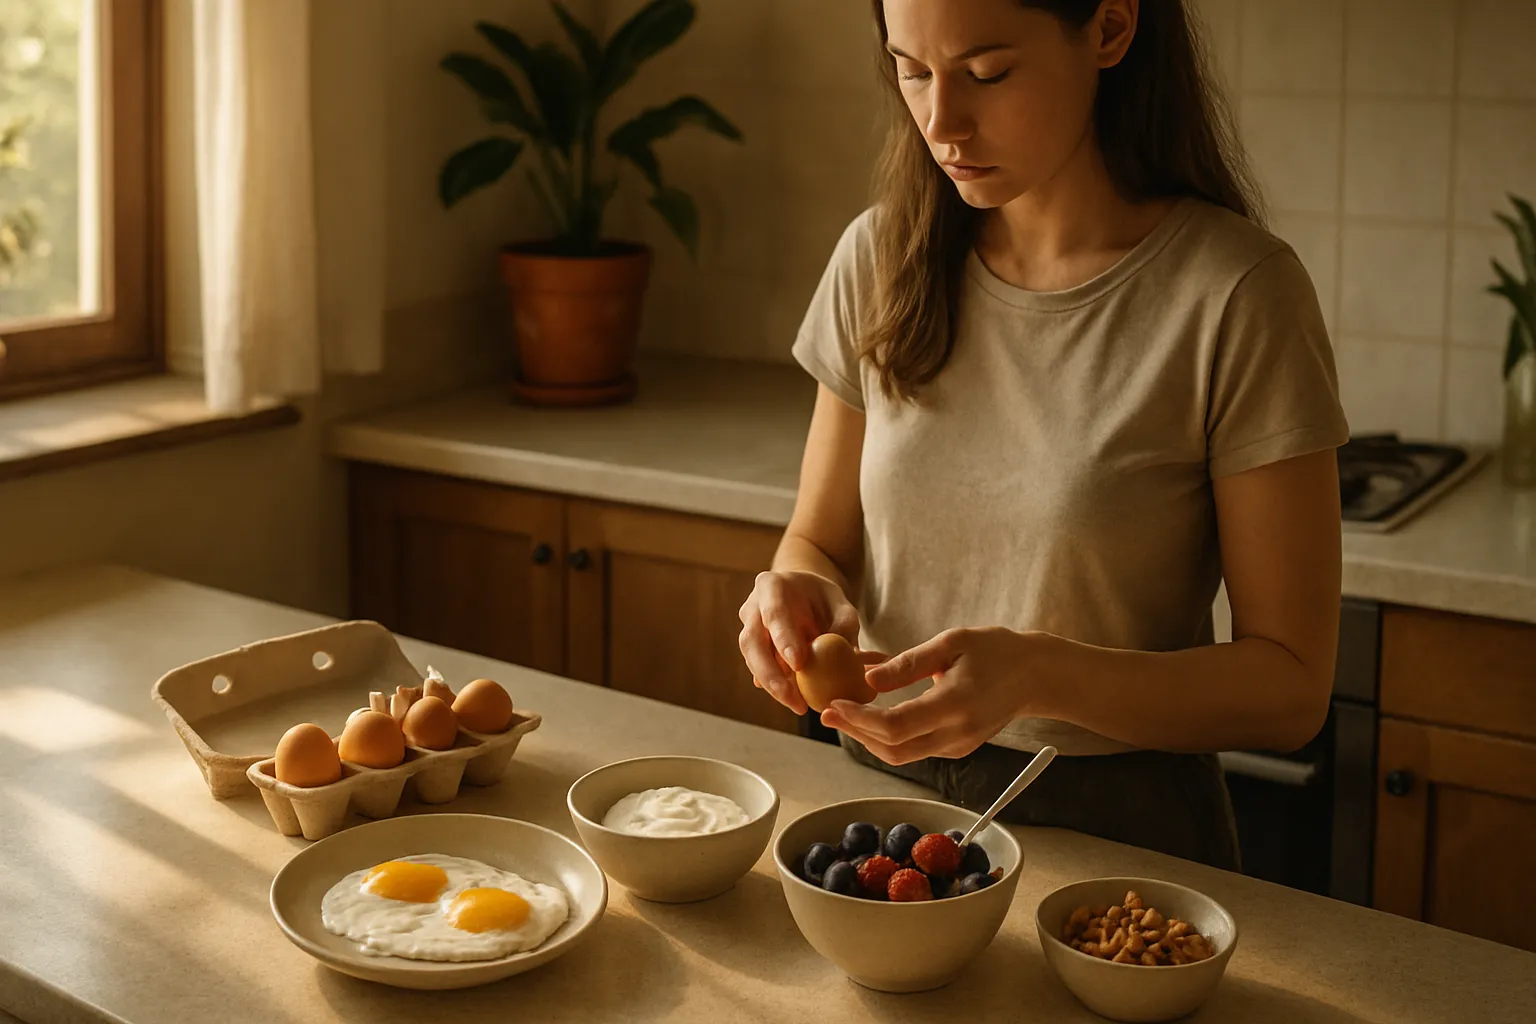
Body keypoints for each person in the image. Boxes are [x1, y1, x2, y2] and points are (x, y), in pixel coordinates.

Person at [736, 0, 1350, 870]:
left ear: (1109, 28)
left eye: (988, 73)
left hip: (1118, 838)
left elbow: (1290, 690)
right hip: (877, 820)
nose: (941, 124)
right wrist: (793, 589)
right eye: (912, 71)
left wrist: (1037, 676)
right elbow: (820, 539)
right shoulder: (880, 258)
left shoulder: (1237, 294)